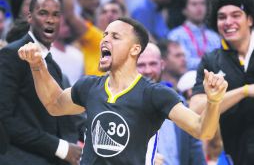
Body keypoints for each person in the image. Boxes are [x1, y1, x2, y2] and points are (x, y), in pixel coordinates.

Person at [18, 17, 227, 165]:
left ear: (135, 49)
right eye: (105, 34)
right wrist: (38, 65)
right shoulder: (89, 86)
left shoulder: (154, 94)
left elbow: (203, 130)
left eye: (115, 36)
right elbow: (54, 105)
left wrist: (214, 101)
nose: (105, 39)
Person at [0, 0, 82, 165]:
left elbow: (62, 117)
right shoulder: (11, 55)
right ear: (30, 17)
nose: (50, 20)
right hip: (20, 158)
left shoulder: (53, 64)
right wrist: (60, 147)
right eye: (43, 13)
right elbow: (4, 119)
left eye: (56, 14)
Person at [190, 0, 254, 165]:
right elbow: (196, 109)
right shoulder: (211, 61)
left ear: (250, 19)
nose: (228, 22)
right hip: (234, 155)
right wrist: (244, 91)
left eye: (236, 15)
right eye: (222, 17)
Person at [137, 43, 206, 165]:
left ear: (162, 65)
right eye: (141, 65)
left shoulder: (178, 102)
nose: (148, 70)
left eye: (153, 64)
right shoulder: (123, 104)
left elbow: (194, 148)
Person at [169, 0, 221, 70]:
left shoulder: (214, 36)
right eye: (194, 4)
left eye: (202, 3)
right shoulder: (175, 36)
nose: (199, 8)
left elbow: (220, 62)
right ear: (184, 10)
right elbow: (184, 63)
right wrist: (210, 63)